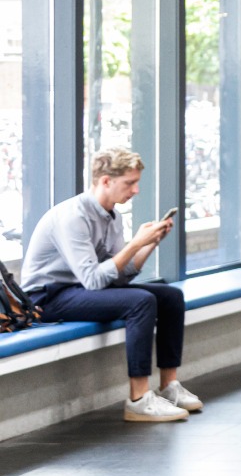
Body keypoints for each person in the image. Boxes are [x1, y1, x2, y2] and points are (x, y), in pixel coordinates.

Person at [21, 147, 200, 422]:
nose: (136, 190)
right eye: (129, 183)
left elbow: (119, 274)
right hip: (47, 297)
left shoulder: (112, 216)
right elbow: (93, 280)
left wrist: (149, 244)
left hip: (79, 290)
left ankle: (168, 386)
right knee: (141, 302)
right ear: (105, 181)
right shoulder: (73, 217)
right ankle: (139, 398)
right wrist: (135, 244)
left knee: (171, 297)